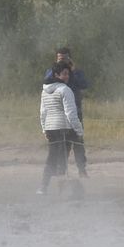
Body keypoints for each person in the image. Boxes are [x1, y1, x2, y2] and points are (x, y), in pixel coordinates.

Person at [38, 62, 84, 195]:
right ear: (56, 75)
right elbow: (71, 114)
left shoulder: (44, 91)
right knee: (62, 159)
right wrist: (79, 131)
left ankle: (43, 187)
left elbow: (43, 113)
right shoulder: (65, 90)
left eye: (68, 73)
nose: (67, 76)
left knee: (51, 158)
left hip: (51, 129)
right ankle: (63, 190)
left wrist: (44, 129)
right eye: (64, 74)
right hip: (63, 129)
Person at [43, 47, 89, 176]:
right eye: (60, 58)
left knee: (78, 141)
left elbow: (84, 84)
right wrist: (56, 71)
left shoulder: (76, 72)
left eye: (64, 58)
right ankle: (61, 170)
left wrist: (72, 71)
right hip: (58, 113)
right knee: (62, 143)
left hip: (75, 112)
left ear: (70, 59)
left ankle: (82, 169)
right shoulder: (51, 72)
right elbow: (46, 83)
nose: (62, 61)